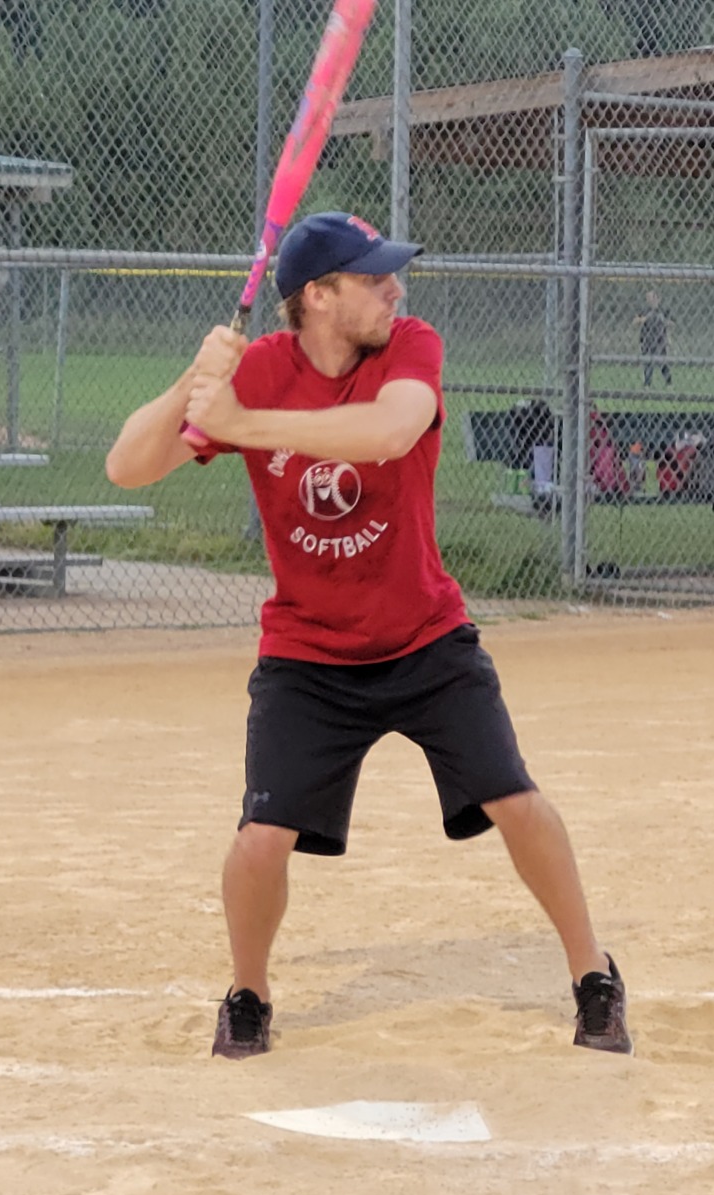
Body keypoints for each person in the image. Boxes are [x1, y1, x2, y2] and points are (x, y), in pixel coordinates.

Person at [104, 211, 631, 1059]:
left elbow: (389, 432)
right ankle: (248, 993)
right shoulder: (262, 370)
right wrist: (193, 383)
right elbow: (127, 466)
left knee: (515, 800)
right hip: (307, 653)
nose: (396, 289)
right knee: (261, 837)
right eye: (373, 277)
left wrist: (246, 424)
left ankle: (593, 975)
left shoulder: (409, 347)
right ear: (317, 296)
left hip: (425, 636)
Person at [632, 289, 673, 387]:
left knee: (662, 362)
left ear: (657, 299)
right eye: (647, 298)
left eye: (651, 297)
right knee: (647, 363)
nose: (649, 300)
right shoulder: (644, 310)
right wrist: (644, 319)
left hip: (660, 341)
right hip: (647, 340)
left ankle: (669, 382)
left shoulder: (663, 310)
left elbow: (671, 323)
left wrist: (665, 325)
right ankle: (647, 383)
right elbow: (635, 322)